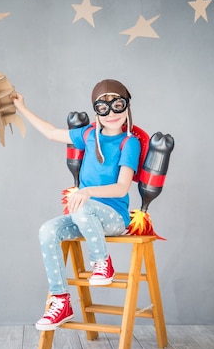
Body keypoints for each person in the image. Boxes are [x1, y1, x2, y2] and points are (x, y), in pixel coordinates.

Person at [12, 79, 141, 331]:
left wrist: (88, 191)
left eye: (118, 105)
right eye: (104, 108)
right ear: (96, 111)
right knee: (48, 230)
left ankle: (102, 261)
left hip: (114, 218)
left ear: (127, 107)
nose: (112, 114)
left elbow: (122, 187)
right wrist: (21, 108)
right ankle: (61, 301)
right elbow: (51, 132)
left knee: (81, 206)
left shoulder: (129, 142)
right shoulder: (88, 135)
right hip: (85, 217)